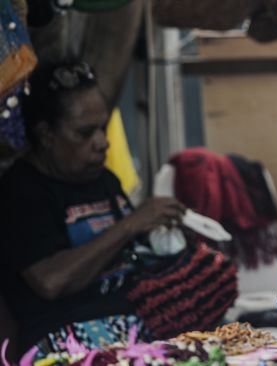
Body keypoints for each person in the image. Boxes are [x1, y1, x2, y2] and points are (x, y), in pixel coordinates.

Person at [0, 61, 186, 355]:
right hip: (65, 339)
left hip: (134, 327)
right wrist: (129, 225)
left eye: (102, 127)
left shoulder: (105, 181)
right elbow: (50, 281)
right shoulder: (21, 191)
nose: (102, 143)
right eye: (85, 133)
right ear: (47, 134)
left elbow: (130, 253)